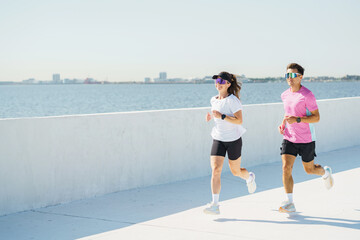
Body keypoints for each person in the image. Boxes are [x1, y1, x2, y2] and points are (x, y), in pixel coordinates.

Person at [278, 63, 334, 213]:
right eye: (287, 75)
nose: (289, 78)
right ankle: (290, 202)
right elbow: (288, 113)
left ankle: (325, 172)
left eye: (293, 75)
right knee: (286, 168)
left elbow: (316, 118)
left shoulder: (307, 95)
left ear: (300, 77)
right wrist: (283, 123)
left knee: (309, 170)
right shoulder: (285, 95)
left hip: (306, 139)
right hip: (289, 137)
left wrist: (297, 120)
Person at [203, 71, 256, 215]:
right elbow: (217, 115)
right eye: (216, 81)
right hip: (218, 138)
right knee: (216, 170)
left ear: (228, 84)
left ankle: (249, 177)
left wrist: (222, 116)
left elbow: (239, 120)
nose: (218, 84)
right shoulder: (213, 99)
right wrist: (211, 116)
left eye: (221, 82)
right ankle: (215, 204)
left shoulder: (233, 100)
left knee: (235, 171)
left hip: (233, 140)